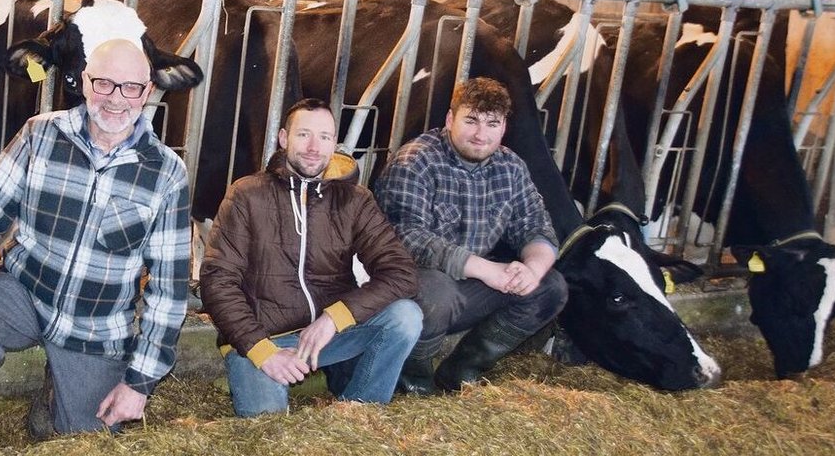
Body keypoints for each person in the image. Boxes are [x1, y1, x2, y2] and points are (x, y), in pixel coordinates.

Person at [0, 38, 191, 448]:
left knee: (90, 448)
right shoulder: (40, 134)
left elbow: (170, 291)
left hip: (96, 322)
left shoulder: (166, 173)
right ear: (84, 82)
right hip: (25, 290)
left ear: (148, 92)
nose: (115, 99)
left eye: (130, 88)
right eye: (103, 83)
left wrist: (140, 382)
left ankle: (54, 398)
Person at [199, 97, 422, 417]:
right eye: (304, 135)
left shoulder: (354, 199)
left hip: (330, 335)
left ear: (335, 144)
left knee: (405, 316)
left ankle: (360, 411)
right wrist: (262, 351)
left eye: (325, 137)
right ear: (283, 138)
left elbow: (401, 273)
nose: (314, 146)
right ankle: (264, 376)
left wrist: (336, 317)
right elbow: (218, 280)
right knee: (267, 422)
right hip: (266, 339)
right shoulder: (247, 194)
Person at [372, 76, 568, 393]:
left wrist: (532, 269)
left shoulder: (511, 167)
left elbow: (536, 224)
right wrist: (486, 269)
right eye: (471, 120)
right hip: (410, 287)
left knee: (550, 286)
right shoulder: (416, 160)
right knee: (436, 291)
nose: (481, 134)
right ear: (450, 119)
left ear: (504, 127)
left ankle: (462, 371)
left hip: (469, 285)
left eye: (492, 123)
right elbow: (405, 237)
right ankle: (412, 382)